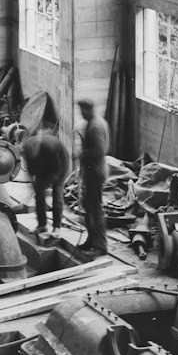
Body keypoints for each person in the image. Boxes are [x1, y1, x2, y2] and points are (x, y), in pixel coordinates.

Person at [21, 128, 70, 241]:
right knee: (38, 192)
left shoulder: (50, 147)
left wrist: (43, 185)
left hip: (59, 165)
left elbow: (55, 172)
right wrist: (32, 185)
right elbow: (29, 169)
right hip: (43, 164)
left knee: (57, 193)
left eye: (34, 151)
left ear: (38, 147)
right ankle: (42, 225)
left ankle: (56, 228)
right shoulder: (27, 148)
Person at [76, 98, 109, 254]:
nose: (80, 113)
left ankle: (100, 245)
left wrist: (81, 154)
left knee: (95, 208)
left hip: (95, 172)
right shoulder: (95, 123)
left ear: (88, 110)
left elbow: (100, 150)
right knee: (89, 207)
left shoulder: (95, 126)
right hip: (92, 171)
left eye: (82, 110)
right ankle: (91, 240)